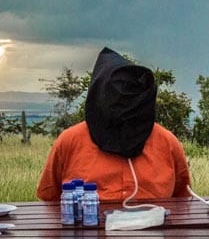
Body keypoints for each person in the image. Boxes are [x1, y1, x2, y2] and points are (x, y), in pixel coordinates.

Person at [37, 47, 190, 201]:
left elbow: (183, 201)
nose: (123, 110)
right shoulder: (70, 142)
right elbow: (49, 201)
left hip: (153, 223)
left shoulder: (167, 144)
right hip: (89, 223)